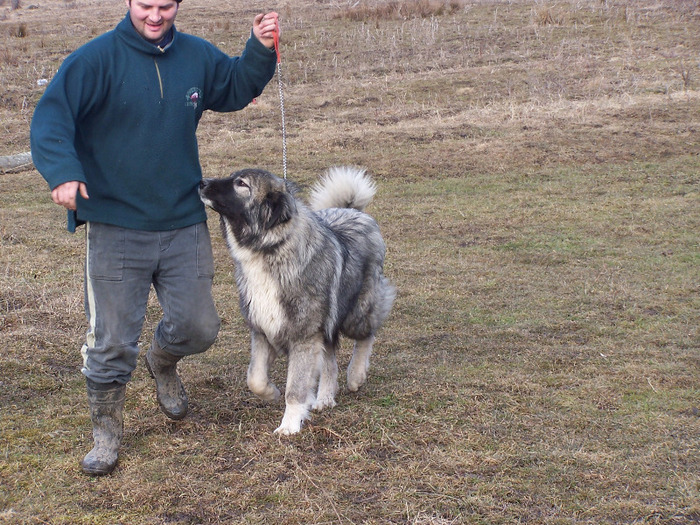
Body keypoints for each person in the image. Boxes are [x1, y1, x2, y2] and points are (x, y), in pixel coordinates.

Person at [29, 0, 280, 476]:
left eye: (165, 5)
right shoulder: (94, 60)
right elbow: (51, 119)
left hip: (183, 220)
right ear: (128, 3)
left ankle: (162, 361)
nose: (155, 15)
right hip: (115, 225)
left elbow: (235, 85)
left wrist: (260, 49)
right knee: (111, 342)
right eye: (145, 4)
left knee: (200, 327)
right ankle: (105, 435)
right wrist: (62, 172)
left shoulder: (195, 56)